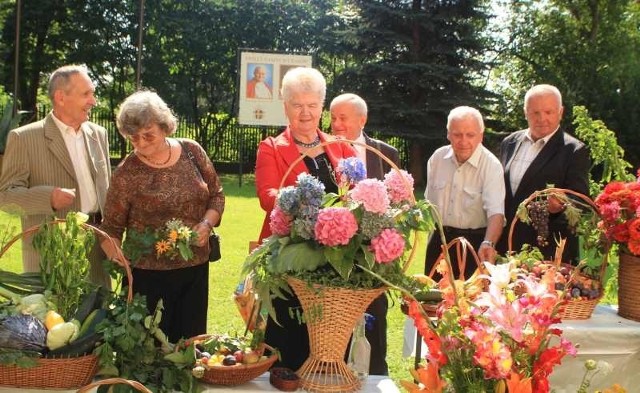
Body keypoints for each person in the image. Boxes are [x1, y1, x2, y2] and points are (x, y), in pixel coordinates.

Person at [100, 90, 225, 343]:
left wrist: (205, 223)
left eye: (149, 135)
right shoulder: (127, 173)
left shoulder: (192, 151)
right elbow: (110, 229)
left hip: (194, 271)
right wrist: (121, 264)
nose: (142, 144)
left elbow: (217, 196)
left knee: (190, 348)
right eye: (134, 139)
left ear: (165, 126)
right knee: (152, 354)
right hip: (148, 279)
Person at [255, 67, 356, 370]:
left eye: (312, 105)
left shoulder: (340, 147)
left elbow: (356, 194)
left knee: (330, 347)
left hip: (336, 264)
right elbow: (267, 196)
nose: (305, 113)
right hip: (290, 260)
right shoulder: (271, 148)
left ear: (321, 107)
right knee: (288, 344)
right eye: (297, 105)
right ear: (285, 106)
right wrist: (314, 211)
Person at [0, 64, 111, 287]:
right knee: (55, 321)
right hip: (50, 256)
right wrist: (48, 198)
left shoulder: (99, 134)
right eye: (86, 94)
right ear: (61, 97)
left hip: (98, 250)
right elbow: (6, 196)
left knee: (99, 319)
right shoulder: (24, 138)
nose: (93, 101)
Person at [329, 92, 398, 376]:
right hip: (335, 255)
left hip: (374, 258)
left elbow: (398, 203)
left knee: (375, 321)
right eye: (332, 118)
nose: (336, 125)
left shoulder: (385, 153)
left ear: (362, 119)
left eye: (342, 118)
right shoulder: (324, 151)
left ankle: (376, 376)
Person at [498, 84, 590, 264]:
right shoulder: (509, 143)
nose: (542, 119)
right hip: (507, 244)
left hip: (547, 250)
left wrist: (562, 205)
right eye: (535, 113)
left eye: (549, 112)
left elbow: (582, 201)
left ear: (560, 112)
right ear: (526, 112)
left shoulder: (573, 150)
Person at [424, 106, 505, 279]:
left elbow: (496, 213)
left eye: (470, 135)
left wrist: (488, 243)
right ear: (448, 134)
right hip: (439, 242)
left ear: (481, 136)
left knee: (471, 303)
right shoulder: (437, 159)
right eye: (457, 134)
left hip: (474, 245)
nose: (463, 141)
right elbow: (426, 205)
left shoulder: (491, 166)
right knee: (430, 301)